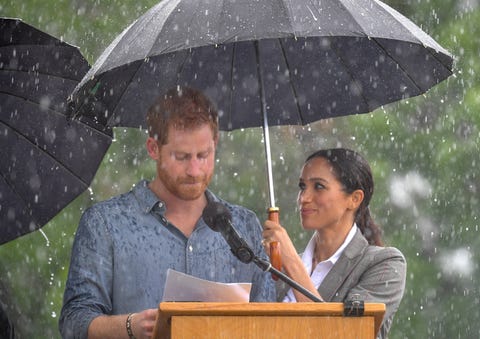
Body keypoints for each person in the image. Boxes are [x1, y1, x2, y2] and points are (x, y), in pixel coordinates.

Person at [59, 87, 275, 339]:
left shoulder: (244, 225)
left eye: (204, 155)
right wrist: (130, 326)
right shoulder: (105, 223)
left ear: (215, 144)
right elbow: (73, 323)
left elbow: (269, 321)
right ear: (153, 148)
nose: (195, 170)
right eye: (182, 157)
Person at [262, 148, 406, 339]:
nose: (304, 198)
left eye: (319, 187)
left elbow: (344, 334)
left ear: (354, 199)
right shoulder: (277, 267)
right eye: (302, 186)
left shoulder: (385, 264)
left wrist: (291, 264)